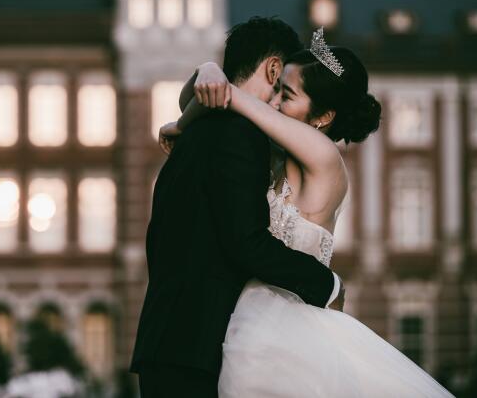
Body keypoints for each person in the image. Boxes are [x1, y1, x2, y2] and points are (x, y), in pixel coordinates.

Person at [163, 26, 453, 397]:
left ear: (323, 116)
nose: (274, 101)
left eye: (288, 94)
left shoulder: (324, 156)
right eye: (277, 89)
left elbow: (232, 98)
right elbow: (209, 95)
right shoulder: (280, 152)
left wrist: (186, 114)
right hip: (252, 318)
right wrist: (205, 71)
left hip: (286, 325)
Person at [129, 17, 343, 398]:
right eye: (283, 89)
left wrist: (200, 87)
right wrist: (326, 284)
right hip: (194, 349)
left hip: (170, 340)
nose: (279, 103)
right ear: (274, 68)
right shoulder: (238, 136)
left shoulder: (199, 133)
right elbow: (246, 242)